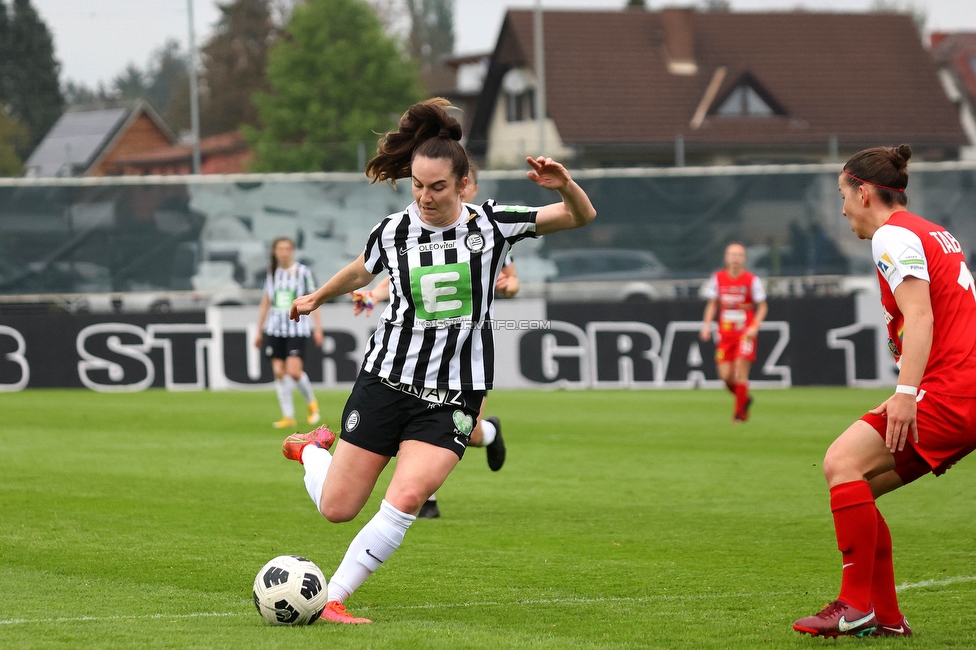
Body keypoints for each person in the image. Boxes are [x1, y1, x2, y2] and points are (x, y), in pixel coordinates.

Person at [281, 98, 597, 624]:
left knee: (406, 495)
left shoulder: (494, 225)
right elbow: (362, 273)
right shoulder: (395, 230)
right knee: (337, 509)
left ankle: (333, 597)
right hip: (385, 381)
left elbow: (579, 216)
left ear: (463, 182)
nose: (425, 198)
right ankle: (311, 450)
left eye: (438, 187)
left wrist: (564, 184)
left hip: (454, 394)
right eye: (418, 186)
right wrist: (317, 296)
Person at [793, 144, 976, 638]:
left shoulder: (892, 235)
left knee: (840, 463)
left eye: (843, 195)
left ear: (866, 192)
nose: (843, 207)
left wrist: (906, 392)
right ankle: (887, 618)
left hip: (950, 392)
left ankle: (855, 607)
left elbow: (921, 317)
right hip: (962, 391)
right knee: (860, 490)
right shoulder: (934, 231)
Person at [350, 161, 519, 519]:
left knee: (468, 432)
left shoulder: (490, 232)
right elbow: (397, 278)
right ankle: (423, 499)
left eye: (445, 187)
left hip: (464, 355)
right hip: (417, 358)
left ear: (465, 186)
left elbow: (513, 279)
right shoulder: (414, 232)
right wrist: (370, 296)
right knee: (412, 428)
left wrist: (508, 287)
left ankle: (489, 433)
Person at [254, 237, 324, 428]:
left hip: (297, 328)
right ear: (275, 251)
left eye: (287, 248)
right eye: (280, 248)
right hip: (275, 329)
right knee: (278, 371)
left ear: (292, 250)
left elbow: (314, 301)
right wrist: (259, 330)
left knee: (293, 371)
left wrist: (318, 328)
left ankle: (311, 402)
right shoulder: (271, 273)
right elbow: (266, 303)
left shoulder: (302, 272)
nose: (284, 252)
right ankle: (288, 416)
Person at [699, 243, 768, 422]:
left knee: (740, 372)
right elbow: (713, 303)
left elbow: (762, 307)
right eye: (732, 255)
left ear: (744, 259)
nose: (735, 258)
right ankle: (744, 398)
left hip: (745, 334)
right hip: (725, 334)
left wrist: (754, 326)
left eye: (739, 255)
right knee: (725, 377)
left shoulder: (752, 280)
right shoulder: (718, 278)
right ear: (726, 257)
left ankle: (740, 414)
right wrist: (706, 325)